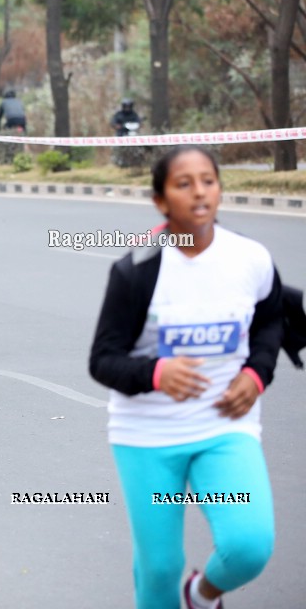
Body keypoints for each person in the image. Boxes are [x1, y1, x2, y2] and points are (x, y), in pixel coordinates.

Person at [89, 145, 282, 609]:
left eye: (208, 181)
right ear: (160, 201)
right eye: (183, 183)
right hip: (148, 436)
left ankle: (201, 594)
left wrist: (256, 375)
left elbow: (271, 324)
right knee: (158, 570)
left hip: (224, 430)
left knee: (249, 546)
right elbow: (103, 359)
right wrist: (156, 372)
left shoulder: (251, 259)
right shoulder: (137, 271)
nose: (199, 192)